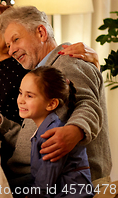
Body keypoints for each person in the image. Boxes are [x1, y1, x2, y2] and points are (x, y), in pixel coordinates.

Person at [0, 6, 111, 189]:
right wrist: (3, 125)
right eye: (9, 45)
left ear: (41, 32)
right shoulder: (42, 71)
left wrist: (75, 130)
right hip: (32, 174)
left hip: (65, 183)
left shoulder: (67, 61)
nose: (11, 51)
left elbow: (88, 104)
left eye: (16, 40)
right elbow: (37, 136)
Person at [19, 66, 93, 198]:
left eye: (29, 95)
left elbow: (45, 184)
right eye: (20, 93)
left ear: (51, 104)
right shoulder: (45, 127)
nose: (21, 100)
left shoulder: (52, 136)